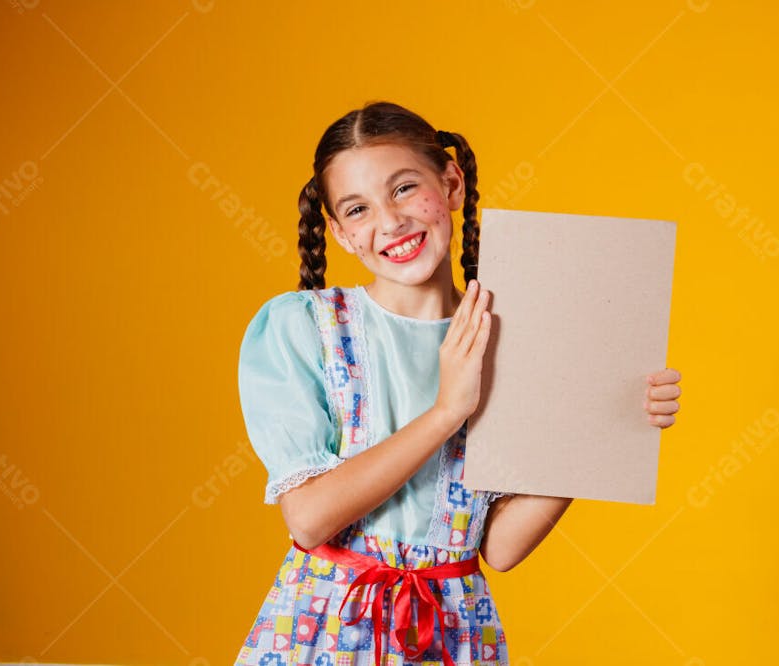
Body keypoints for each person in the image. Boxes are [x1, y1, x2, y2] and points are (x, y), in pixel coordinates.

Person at [233, 100, 682, 666]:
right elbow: (309, 517)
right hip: (324, 630)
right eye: (358, 209)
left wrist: (602, 422)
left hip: (455, 632)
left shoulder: (514, 336)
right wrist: (447, 410)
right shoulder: (303, 328)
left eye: (403, 189)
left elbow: (498, 546)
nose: (390, 223)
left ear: (450, 184)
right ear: (341, 234)